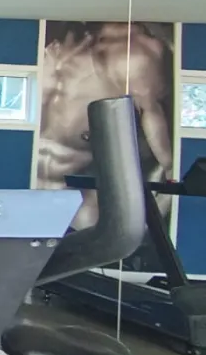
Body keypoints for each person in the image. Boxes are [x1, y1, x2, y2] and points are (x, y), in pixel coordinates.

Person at [37, 21, 174, 229]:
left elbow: (151, 112)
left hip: (82, 201)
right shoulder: (49, 42)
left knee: (91, 219)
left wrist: (170, 172)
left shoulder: (130, 54)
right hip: (24, 188)